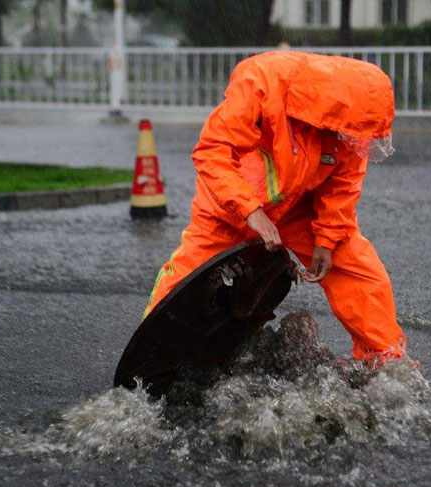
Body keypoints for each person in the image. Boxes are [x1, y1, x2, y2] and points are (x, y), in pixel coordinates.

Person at [142, 51, 407, 363]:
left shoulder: (350, 123)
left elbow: (343, 182)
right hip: (228, 209)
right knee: (184, 280)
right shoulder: (261, 81)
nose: (359, 145)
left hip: (298, 209)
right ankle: (150, 356)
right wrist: (252, 212)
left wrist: (327, 239)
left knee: (356, 269)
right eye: (357, 137)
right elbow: (212, 149)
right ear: (334, 112)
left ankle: (386, 361)